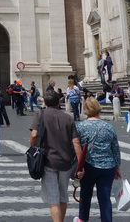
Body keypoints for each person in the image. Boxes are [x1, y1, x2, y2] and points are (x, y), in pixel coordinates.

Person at [30, 90, 83, 222]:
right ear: (59, 102)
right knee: (63, 196)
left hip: (48, 161)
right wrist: (81, 165)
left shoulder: (40, 115)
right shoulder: (68, 118)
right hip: (66, 163)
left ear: (45, 102)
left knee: (53, 199)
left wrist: (33, 147)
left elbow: (34, 135)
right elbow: (76, 142)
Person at [73, 98, 121, 222]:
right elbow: (115, 148)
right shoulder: (108, 127)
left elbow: (75, 146)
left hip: (88, 166)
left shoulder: (80, 126)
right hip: (108, 167)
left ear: (85, 110)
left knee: (85, 196)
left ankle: (82, 219)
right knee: (105, 198)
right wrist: (117, 167)